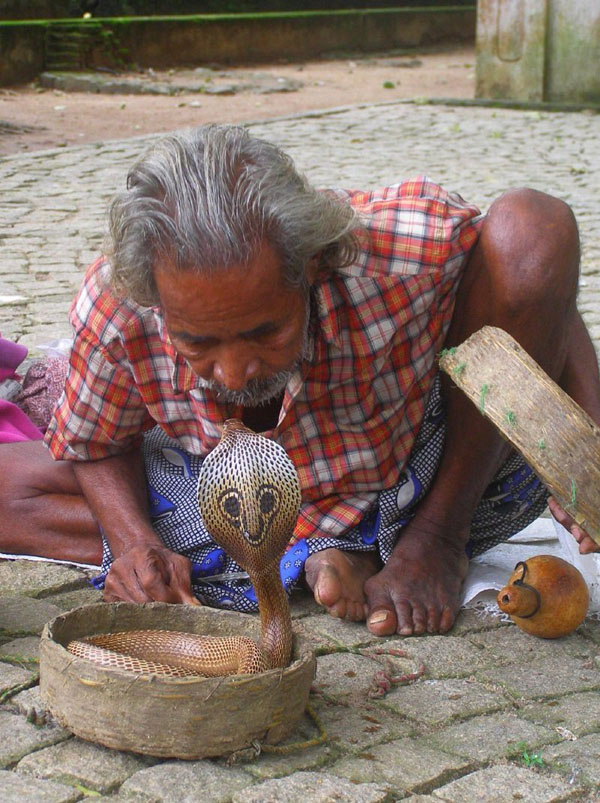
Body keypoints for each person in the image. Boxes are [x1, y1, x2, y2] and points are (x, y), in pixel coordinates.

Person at [1, 124, 598, 637]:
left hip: (411, 482)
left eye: (266, 332)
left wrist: (580, 465)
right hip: (217, 489)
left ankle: (424, 544)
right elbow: (97, 441)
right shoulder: (120, 301)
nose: (235, 374)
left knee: (532, 225)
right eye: (199, 342)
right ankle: (330, 554)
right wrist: (133, 544)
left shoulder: (394, 248)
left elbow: (543, 289)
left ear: (313, 266)